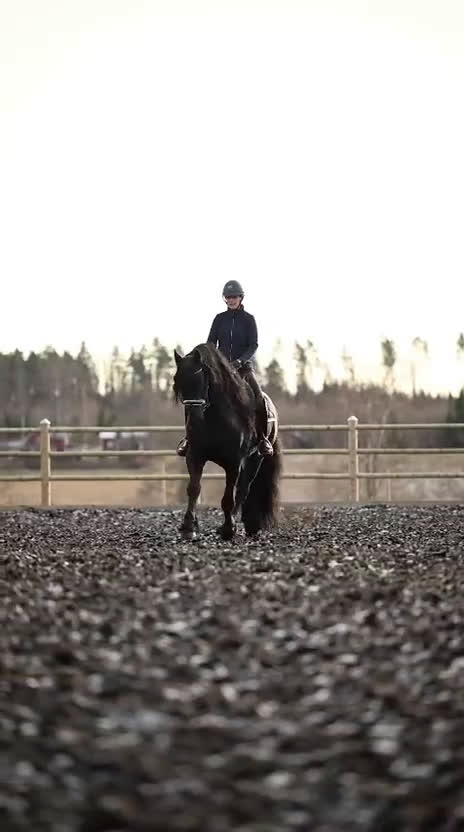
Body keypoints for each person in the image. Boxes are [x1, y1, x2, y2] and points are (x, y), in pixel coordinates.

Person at [176, 280, 273, 457]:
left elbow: (253, 345)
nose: (231, 300)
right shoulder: (219, 319)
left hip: (243, 369)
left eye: (234, 297)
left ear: (241, 297)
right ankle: (189, 438)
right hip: (220, 371)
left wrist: (240, 361)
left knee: (258, 397)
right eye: (228, 297)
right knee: (196, 397)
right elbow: (211, 343)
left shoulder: (248, 319)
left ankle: (262, 438)